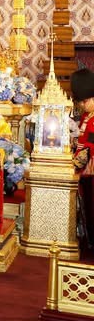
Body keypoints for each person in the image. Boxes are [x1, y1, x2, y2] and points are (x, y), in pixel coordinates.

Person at [71, 68, 94, 246]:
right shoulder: (86, 115)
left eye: (85, 101)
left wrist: (75, 163)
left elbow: (90, 146)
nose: (83, 105)